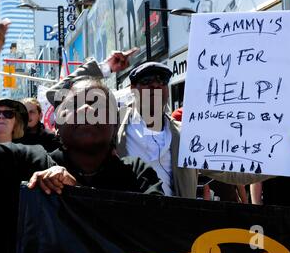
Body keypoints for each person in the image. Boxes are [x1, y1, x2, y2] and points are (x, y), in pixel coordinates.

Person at [0, 20, 163, 253]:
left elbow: (162, 236)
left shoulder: (138, 174)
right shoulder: (22, 163)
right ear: (57, 124)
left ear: (114, 122)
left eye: (99, 105)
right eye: (75, 104)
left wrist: (79, 195)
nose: (87, 110)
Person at [47, 55, 199, 198]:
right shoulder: (112, 120)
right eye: (147, 80)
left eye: (162, 80)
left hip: (179, 222)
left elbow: (219, 167)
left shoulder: (188, 134)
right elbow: (56, 93)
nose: (155, 84)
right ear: (132, 88)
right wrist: (105, 67)